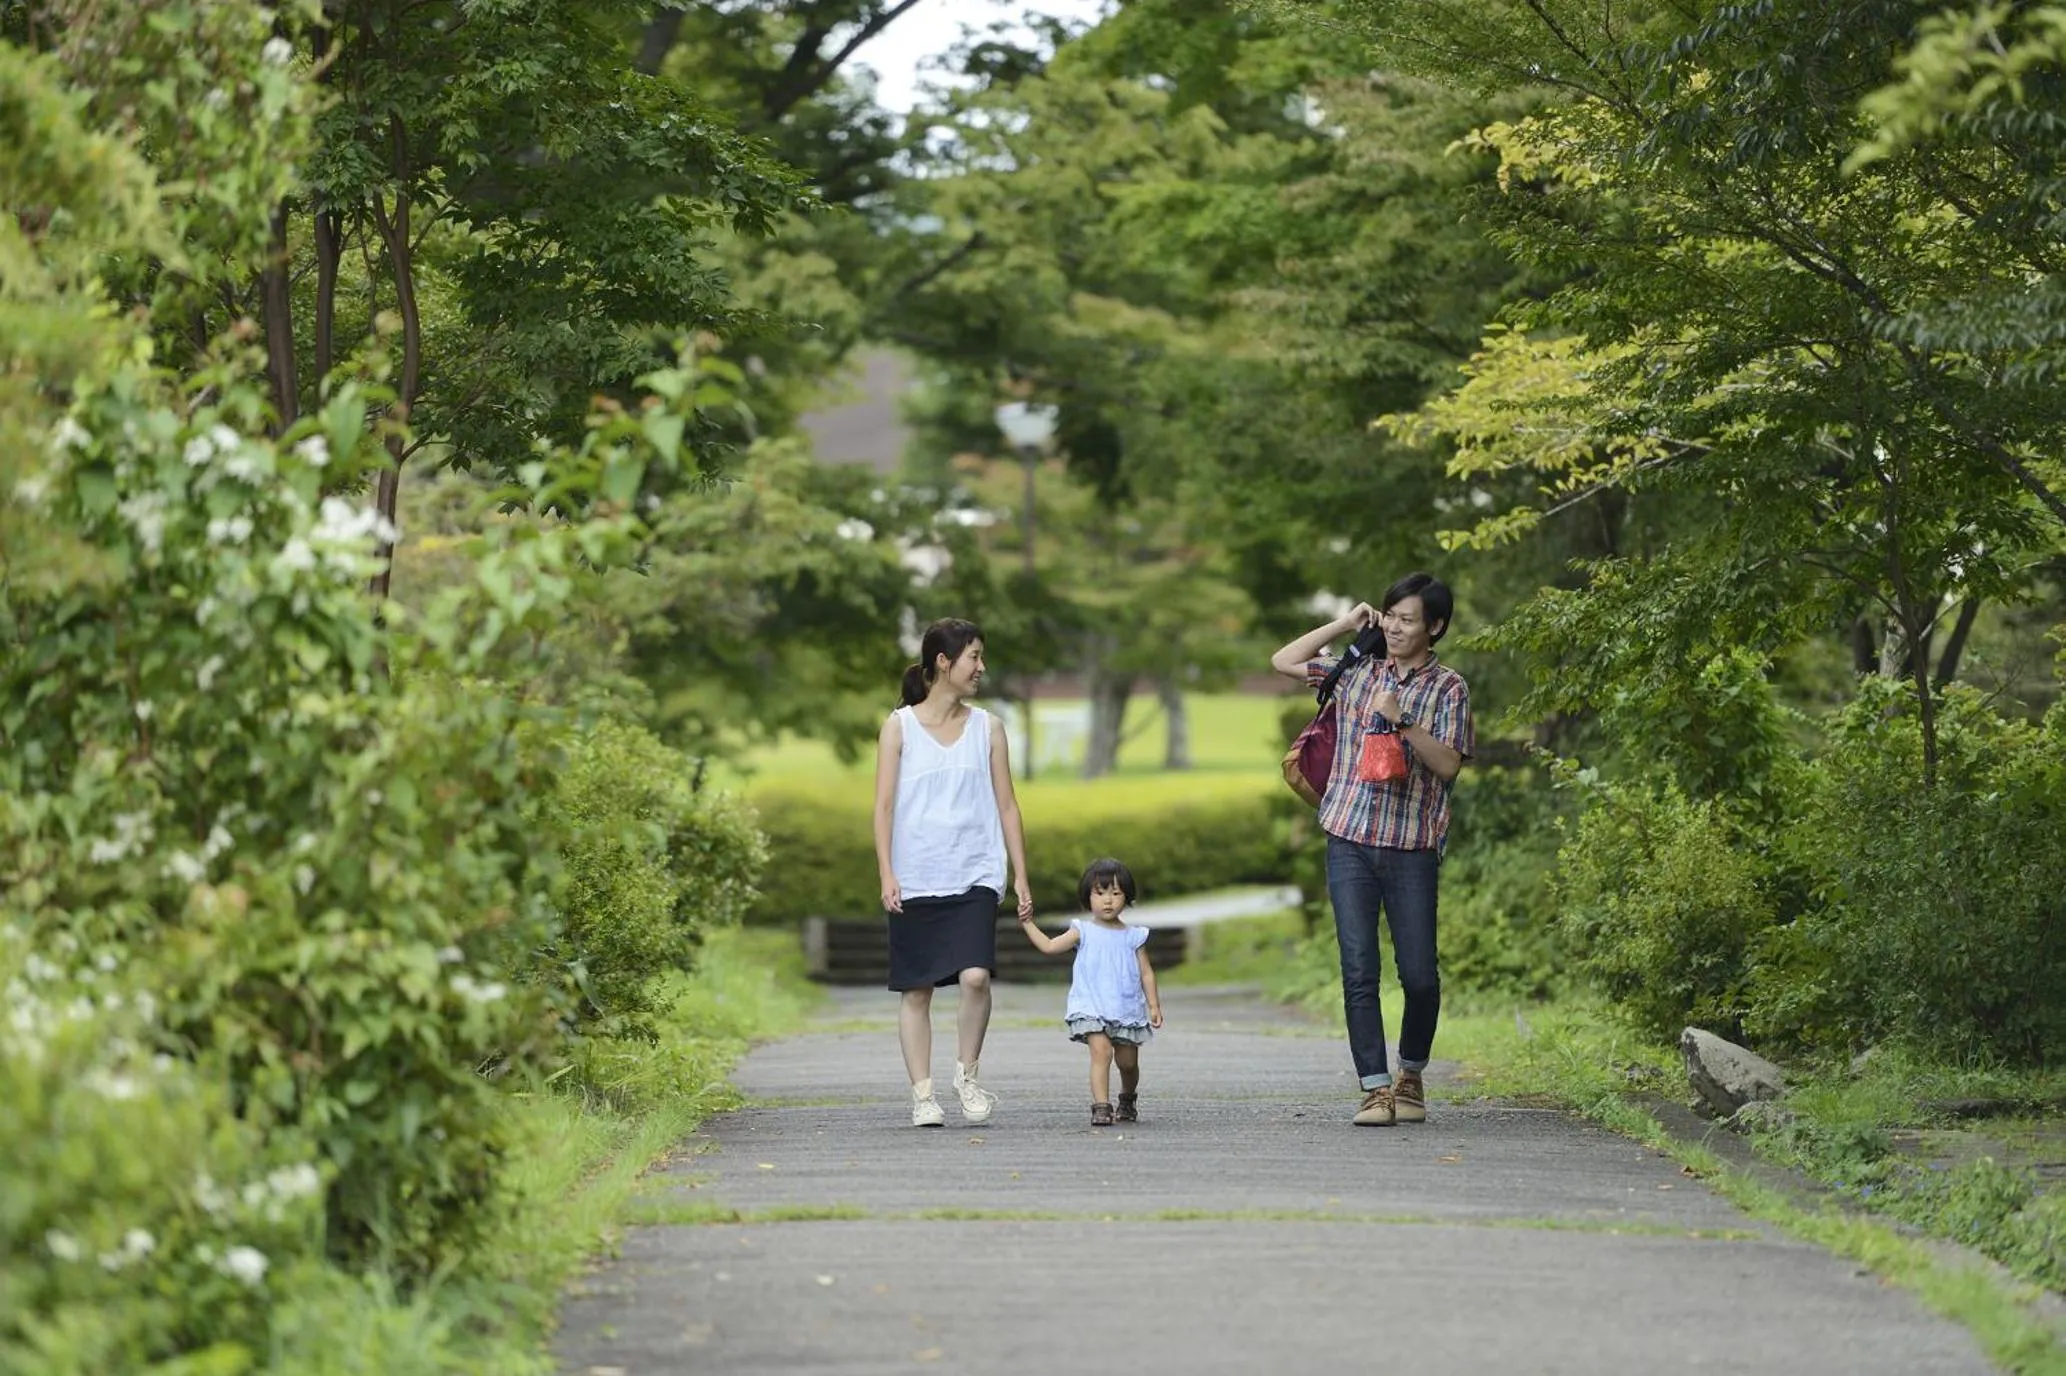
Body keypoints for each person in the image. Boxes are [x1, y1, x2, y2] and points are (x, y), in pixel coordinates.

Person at [1269, 572, 1474, 1127]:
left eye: (1409, 620)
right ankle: (1375, 1089)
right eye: (1391, 616)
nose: (1397, 627)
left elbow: (1450, 764)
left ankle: (1410, 1072)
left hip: (1411, 845)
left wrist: (1401, 718)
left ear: (1435, 626)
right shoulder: (1358, 667)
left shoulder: (1448, 688)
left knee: (1420, 976)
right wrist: (1346, 623)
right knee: (1359, 969)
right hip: (1349, 839)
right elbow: (1284, 661)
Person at [874, 617, 1034, 1128]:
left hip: (974, 872)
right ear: (943, 662)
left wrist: (1020, 875)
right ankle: (923, 1094)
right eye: (973, 657)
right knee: (916, 990)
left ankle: (967, 1076)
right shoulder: (898, 727)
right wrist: (886, 873)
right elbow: (882, 808)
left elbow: (1008, 805)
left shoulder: (989, 727)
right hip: (916, 873)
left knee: (975, 977)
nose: (981, 668)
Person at [1016, 857, 1164, 1127]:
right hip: (1091, 1006)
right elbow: (1050, 946)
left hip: (1126, 1009)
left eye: (1116, 893)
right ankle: (1101, 1106)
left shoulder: (1135, 936)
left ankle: (1127, 1098)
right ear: (1088, 897)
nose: (1108, 900)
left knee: (1128, 1062)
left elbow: (1146, 972)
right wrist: (1028, 923)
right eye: (1100, 893)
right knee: (1101, 1052)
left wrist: (1153, 1005)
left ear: (1127, 897)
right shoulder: (1081, 931)